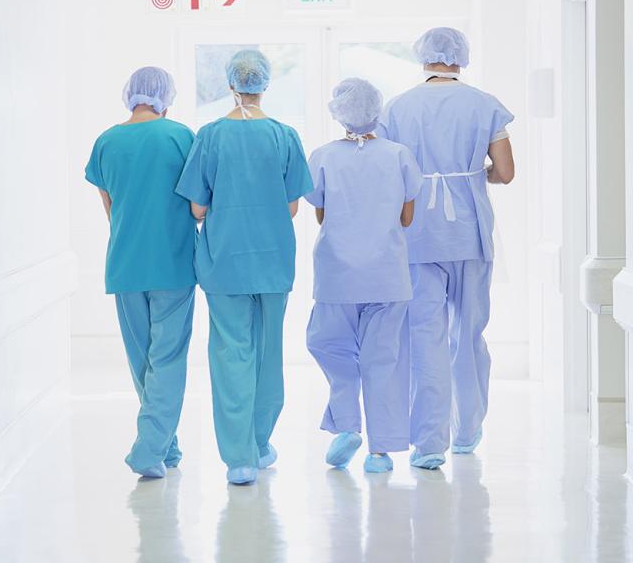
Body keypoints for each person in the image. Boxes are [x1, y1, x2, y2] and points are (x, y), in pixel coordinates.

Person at [378, 27, 515, 469]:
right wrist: (476, 176)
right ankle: (469, 429)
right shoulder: (484, 104)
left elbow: (388, 176)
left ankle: (429, 444)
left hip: (418, 233)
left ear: (423, 57)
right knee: (469, 335)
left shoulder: (397, 108)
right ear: (461, 57)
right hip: (470, 231)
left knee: (426, 337)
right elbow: (507, 173)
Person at [176, 49, 313, 485]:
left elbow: (197, 206)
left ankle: (239, 459)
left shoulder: (211, 135)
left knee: (232, 353)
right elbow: (291, 206)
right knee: (269, 352)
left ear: (231, 85)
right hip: (273, 259)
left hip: (225, 262)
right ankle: (259, 441)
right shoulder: (285, 136)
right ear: (264, 85)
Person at [305, 78, 423, 474]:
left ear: (338, 113)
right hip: (387, 275)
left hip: (337, 275)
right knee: (384, 359)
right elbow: (406, 218)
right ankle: (380, 451)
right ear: (377, 109)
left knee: (331, 347)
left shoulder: (322, 156)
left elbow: (321, 214)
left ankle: (346, 424)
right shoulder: (399, 155)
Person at [85, 66, 197, 479]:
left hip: (126, 261)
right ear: (166, 96)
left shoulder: (107, 141)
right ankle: (151, 448)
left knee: (142, 359)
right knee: (167, 358)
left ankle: (164, 443)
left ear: (130, 94)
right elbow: (198, 202)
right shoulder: (182, 137)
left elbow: (110, 205)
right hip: (174, 261)